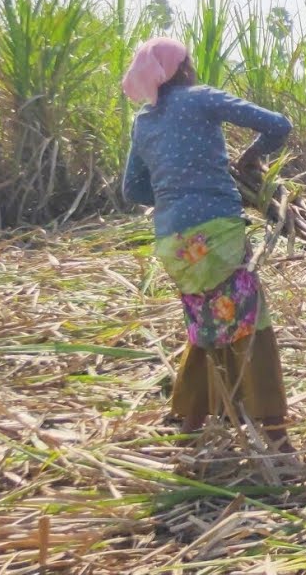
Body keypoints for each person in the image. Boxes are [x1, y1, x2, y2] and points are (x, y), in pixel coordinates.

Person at [121, 37, 295, 452]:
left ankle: (193, 420)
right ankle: (275, 434)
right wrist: (250, 158)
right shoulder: (200, 98)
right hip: (215, 234)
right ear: (182, 68)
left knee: (208, 322)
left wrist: (174, 194)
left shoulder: (143, 122)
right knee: (249, 321)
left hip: (173, 242)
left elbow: (133, 188)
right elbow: (278, 125)